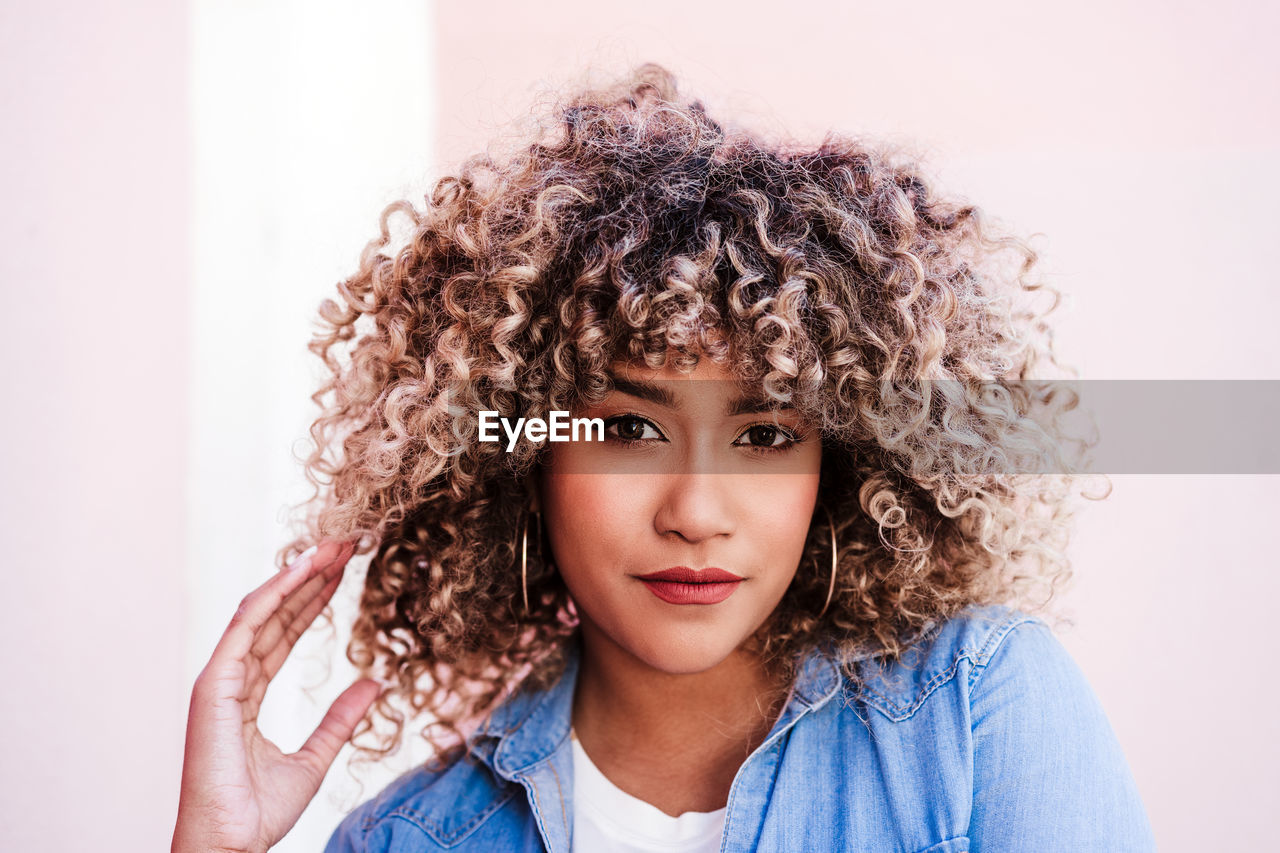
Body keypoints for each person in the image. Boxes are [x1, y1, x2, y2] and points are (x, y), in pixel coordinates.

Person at [172, 65, 1156, 852]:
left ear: (842, 473)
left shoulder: (973, 717)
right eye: (624, 430)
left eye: (764, 435)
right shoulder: (409, 842)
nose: (694, 510)